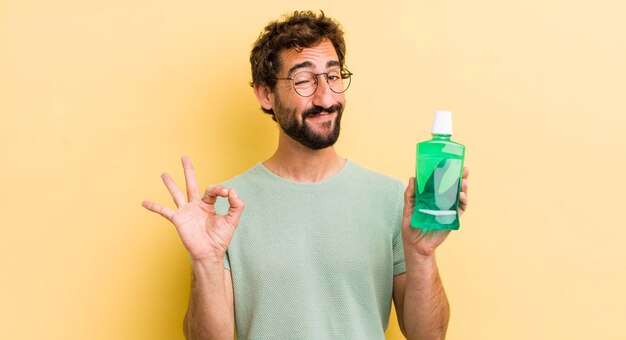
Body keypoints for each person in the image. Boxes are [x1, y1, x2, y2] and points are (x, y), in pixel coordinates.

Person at [142, 10, 469, 340]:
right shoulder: (223, 210)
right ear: (266, 94)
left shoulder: (392, 200)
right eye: (303, 80)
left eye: (333, 76)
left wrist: (422, 255)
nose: (325, 98)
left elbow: (428, 337)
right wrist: (205, 262)